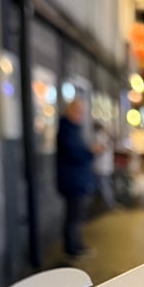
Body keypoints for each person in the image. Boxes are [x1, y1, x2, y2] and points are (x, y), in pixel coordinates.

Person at [56, 97, 96, 258]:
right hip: (72, 181)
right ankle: (72, 249)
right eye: (78, 111)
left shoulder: (73, 129)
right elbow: (75, 154)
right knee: (74, 217)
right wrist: (91, 151)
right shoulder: (68, 130)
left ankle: (76, 246)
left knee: (76, 216)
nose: (81, 115)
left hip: (76, 180)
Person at [91, 120, 115, 210]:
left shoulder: (101, 137)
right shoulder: (104, 137)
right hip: (103, 167)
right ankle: (106, 205)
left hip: (102, 167)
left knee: (104, 187)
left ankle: (109, 206)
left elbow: (99, 149)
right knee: (104, 186)